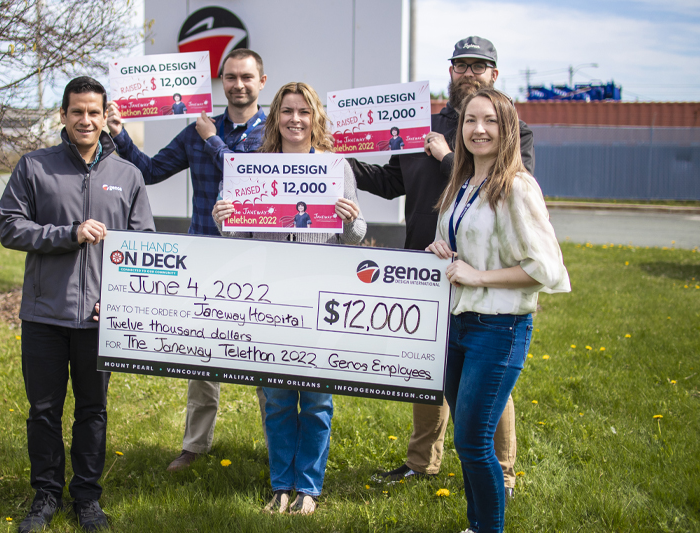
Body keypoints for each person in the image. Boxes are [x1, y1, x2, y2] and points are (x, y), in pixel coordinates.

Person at [348, 36, 534, 497]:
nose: (468, 73)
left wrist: (448, 157)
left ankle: (503, 472)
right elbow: (392, 181)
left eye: (479, 66)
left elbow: (512, 186)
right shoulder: (419, 125)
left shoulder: (512, 130)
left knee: (486, 376)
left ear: (494, 74)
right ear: (450, 72)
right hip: (423, 263)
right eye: (460, 65)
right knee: (426, 366)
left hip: (483, 272)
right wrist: (340, 162)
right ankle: (421, 462)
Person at [0, 76, 155, 532]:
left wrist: (121, 300)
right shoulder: (34, 167)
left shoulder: (128, 174)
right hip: (45, 315)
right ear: (63, 116)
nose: (86, 120)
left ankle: (87, 498)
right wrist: (66, 234)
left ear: (106, 116)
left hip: (99, 319)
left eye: (94, 112)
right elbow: (10, 226)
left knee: (93, 410)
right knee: (44, 410)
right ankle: (45, 497)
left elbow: (143, 244)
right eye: (77, 112)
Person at [107, 48, 269, 472]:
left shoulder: (274, 130)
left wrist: (211, 139)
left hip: (259, 261)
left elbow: (248, 174)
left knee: (266, 356)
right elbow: (152, 169)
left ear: (261, 82)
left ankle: (280, 447)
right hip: (205, 257)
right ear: (221, 81)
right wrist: (120, 134)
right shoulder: (198, 128)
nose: (238, 84)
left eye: (246, 77)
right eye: (231, 77)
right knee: (202, 355)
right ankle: (195, 446)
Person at [212, 82, 366, 515]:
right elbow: (238, 231)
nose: (295, 119)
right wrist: (223, 219)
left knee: (316, 397)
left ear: (315, 117)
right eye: (287, 111)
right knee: (277, 397)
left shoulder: (337, 167)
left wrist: (351, 220)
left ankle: (309, 488)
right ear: (275, 117)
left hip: (320, 298)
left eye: (303, 111)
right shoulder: (252, 168)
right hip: (270, 297)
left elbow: (353, 239)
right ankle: (281, 485)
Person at [427, 88, 569, 533]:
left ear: (507, 128)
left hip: (499, 327)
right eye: (470, 120)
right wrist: (443, 252)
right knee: (469, 440)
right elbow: (464, 252)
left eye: (490, 120)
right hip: (458, 323)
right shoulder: (461, 184)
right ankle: (475, 524)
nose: (479, 129)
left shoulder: (517, 186)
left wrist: (478, 276)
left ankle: (488, 528)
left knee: (471, 440)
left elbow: (546, 269)